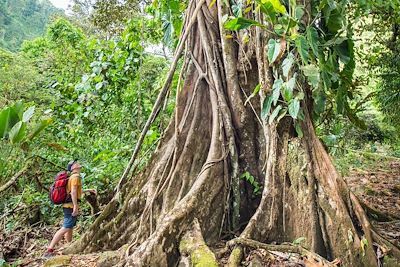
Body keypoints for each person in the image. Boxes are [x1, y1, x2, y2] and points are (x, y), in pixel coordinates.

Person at [44, 160, 96, 258]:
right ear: (72, 168)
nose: (78, 163)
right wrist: (75, 206)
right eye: (75, 163)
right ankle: (49, 250)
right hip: (70, 206)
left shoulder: (72, 177)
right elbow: (73, 192)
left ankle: (69, 245)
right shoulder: (76, 177)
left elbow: (75, 191)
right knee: (66, 227)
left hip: (67, 205)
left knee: (70, 227)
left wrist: (89, 190)